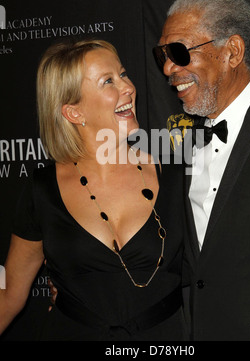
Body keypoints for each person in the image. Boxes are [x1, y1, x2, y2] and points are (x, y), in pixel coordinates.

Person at [0, 39, 189, 341]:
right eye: (108, 82)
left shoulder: (176, 175)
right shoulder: (43, 190)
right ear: (74, 113)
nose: (128, 87)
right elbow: (8, 294)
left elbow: (215, 273)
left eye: (123, 74)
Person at [153, 0, 250, 341]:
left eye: (178, 52)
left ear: (232, 51)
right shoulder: (181, 147)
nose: (168, 68)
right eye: (162, 54)